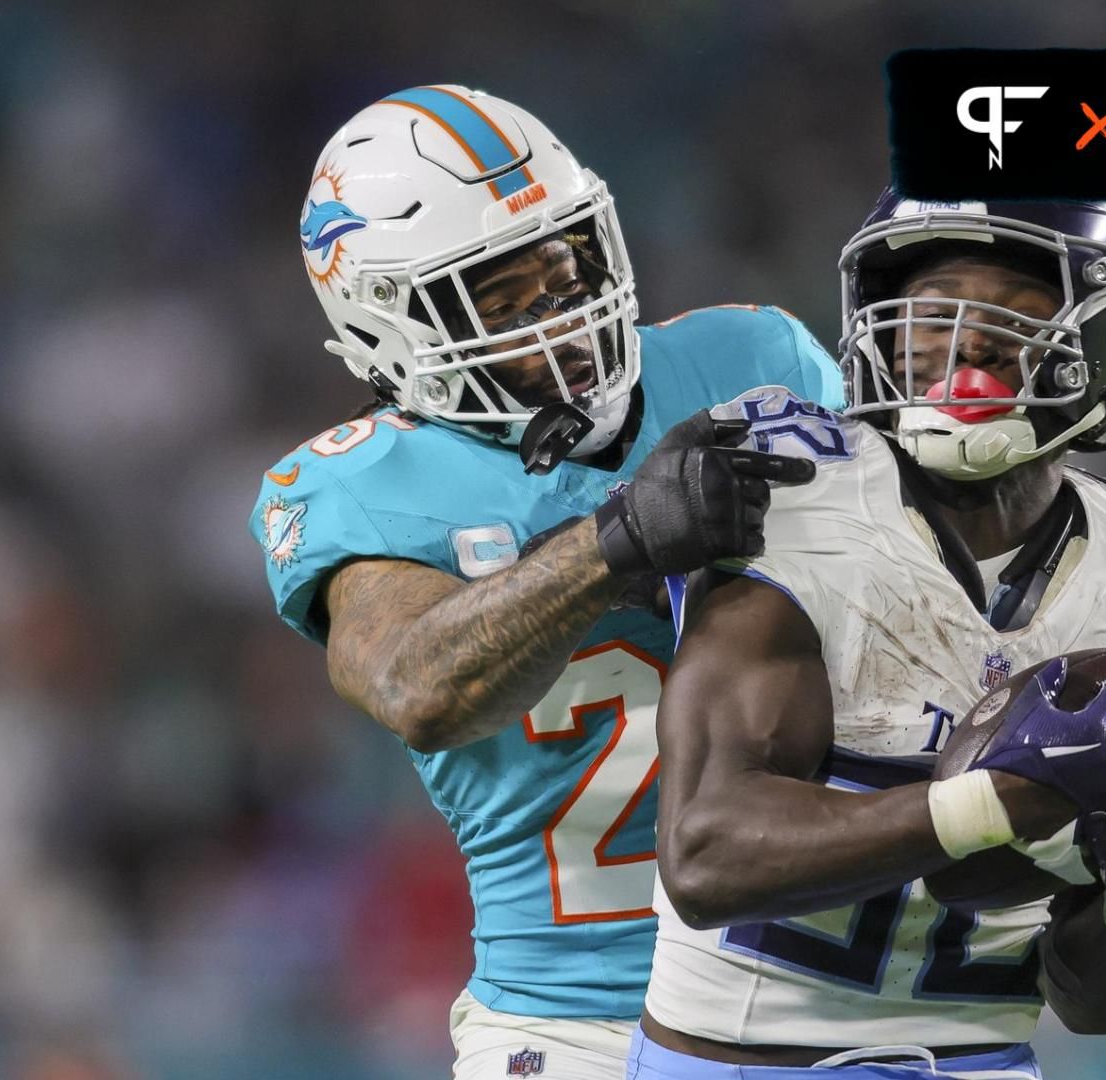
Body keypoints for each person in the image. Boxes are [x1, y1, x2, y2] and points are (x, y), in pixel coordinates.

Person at [249, 85, 843, 1078]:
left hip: (829, 991)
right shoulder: (366, 486)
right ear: (390, 324)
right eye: (501, 298)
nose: (562, 317)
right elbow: (412, 684)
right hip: (579, 1026)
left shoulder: (753, 360)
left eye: (563, 270)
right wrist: (612, 548)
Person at [633, 193, 1106, 1079]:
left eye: (1017, 312)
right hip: (740, 1061)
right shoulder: (793, 495)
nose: (967, 342)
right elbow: (705, 853)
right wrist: (989, 807)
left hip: (984, 1061)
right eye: (933, 306)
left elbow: (1094, 1004)